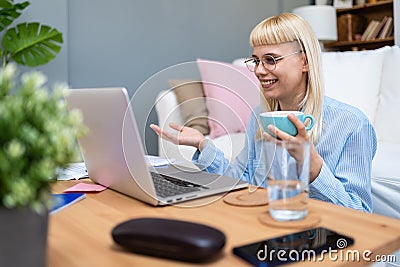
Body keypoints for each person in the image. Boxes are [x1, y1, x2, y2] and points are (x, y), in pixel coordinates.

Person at [150, 13, 376, 212]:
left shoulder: (351, 124)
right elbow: (239, 180)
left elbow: (360, 212)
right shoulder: (259, 117)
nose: (258, 71)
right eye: (256, 61)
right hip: (264, 226)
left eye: (270, 60)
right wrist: (202, 144)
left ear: (304, 61)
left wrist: (314, 167)